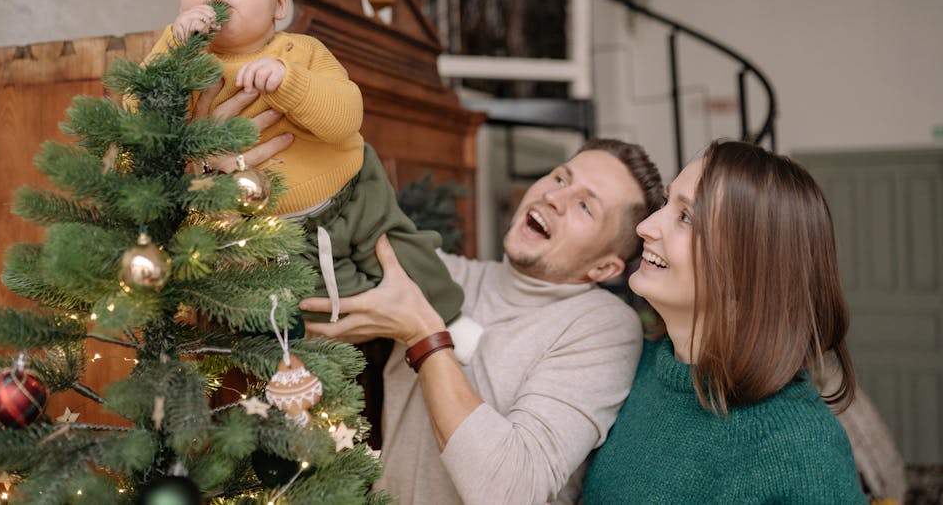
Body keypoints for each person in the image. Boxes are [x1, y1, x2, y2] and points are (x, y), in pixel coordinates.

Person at [144, 0, 480, 354]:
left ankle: (452, 319)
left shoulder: (301, 52)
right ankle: (390, 336)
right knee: (319, 304)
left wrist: (288, 82)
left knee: (405, 255)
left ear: (280, 4)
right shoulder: (177, 58)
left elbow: (346, 116)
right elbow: (141, 122)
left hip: (354, 190)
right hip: (274, 227)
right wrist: (174, 51)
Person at [302, 138, 666, 505]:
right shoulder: (442, 276)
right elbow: (308, 293)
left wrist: (423, 333)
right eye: (560, 178)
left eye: (585, 206)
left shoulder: (602, 326)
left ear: (604, 267)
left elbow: (511, 491)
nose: (554, 198)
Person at [582, 139, 867, 503]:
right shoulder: (636, 369)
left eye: (686, 217)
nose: (646, 227)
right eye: (667, 203)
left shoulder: (801, 447)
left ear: (748, 270)